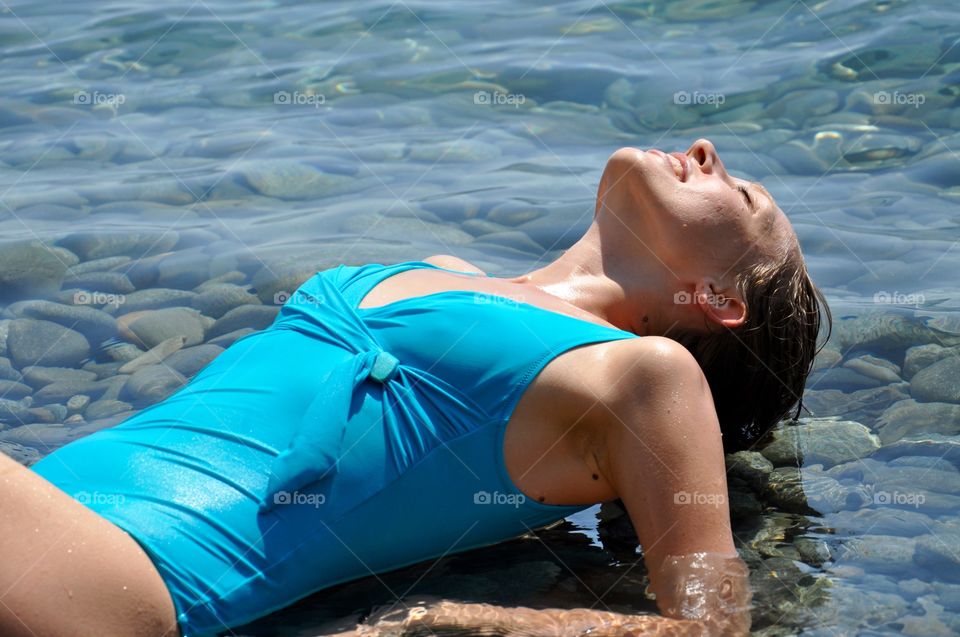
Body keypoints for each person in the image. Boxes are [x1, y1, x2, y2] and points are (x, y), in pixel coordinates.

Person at [0, 139, 829, 637]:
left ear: (722, 300)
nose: (709, 152)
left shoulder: (644, 373)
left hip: (124, 577)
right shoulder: (443, 272)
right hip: (49, 520)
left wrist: (474, 619)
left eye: (744, 198)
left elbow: (709, 621)